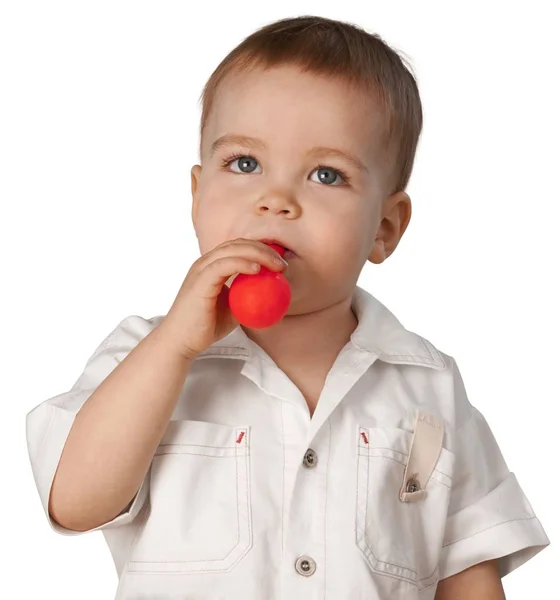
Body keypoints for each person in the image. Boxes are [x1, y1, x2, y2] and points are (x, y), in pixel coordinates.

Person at [25, 14, 550, 600]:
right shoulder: (146, 355)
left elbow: (467, 564)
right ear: (197, 198)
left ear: (384, 227)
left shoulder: (428, 384)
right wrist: (175, 345)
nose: (276, 200)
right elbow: (73, 504)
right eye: (244, 164)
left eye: (326, 175)